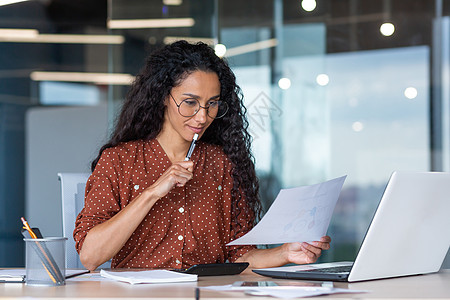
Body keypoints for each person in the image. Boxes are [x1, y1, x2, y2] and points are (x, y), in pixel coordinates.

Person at [74, 40, 331, 272]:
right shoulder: (119, 161)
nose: (202, 116)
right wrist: (151, 193)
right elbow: (91, 256)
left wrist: (286, 252)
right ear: (163, 96)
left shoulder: (223, 163)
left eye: (212, 104)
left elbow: (239, 257)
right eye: (190, 102)